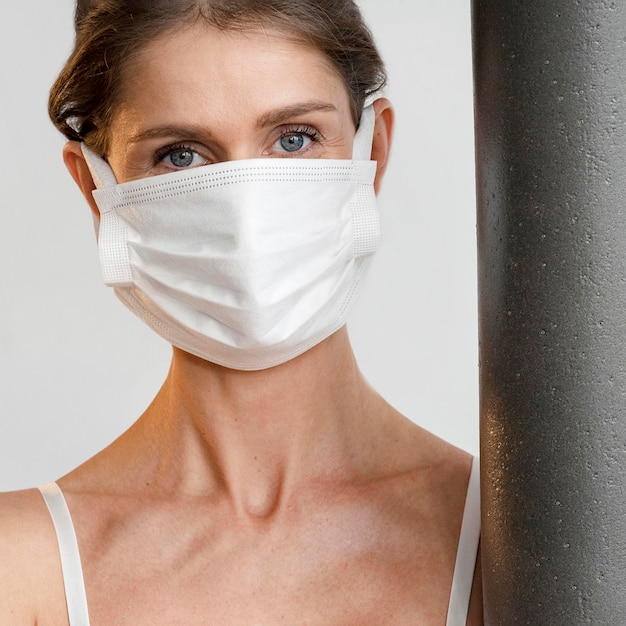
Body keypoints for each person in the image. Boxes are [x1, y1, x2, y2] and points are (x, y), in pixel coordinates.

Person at [0, 0, 482, 623]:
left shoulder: (519, 541)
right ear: (97, 190)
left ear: (374, 152)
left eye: (294, 138)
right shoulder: (19, 568)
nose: (245, 219)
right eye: (181, 154)